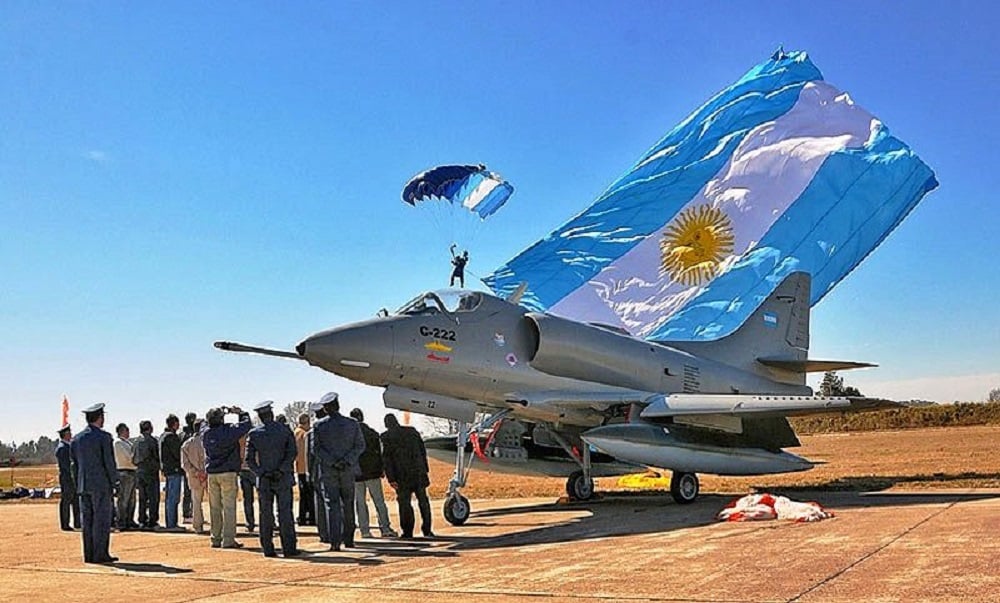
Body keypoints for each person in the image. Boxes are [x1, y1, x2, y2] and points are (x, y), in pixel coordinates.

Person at [245, 401, 300, 558]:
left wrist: (262, 473)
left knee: (265, 514)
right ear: (272, 414)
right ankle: (289, 548)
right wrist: (281, 469)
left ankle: (268, 548)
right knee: (285, 513)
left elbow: (249, 460)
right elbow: (292, 453)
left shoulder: (255, 434)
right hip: (282, 478)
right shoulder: (285, 430)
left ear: (261, 417)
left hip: (265, 480)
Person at [312, 392, 365, 551]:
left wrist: (333, 462)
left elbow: (316, 450)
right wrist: (347, 460)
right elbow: (360, 446)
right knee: (348, 504)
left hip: (329, 471)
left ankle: (335, 542)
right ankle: (349, 539)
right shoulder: (352, 423)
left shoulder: (319, 426)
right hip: (347, 470)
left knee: (332, 505)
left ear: (326, 409)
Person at [70, 403, 118, 564]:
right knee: (101, 520)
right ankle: (100, 554)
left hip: (83, 485)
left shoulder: (76, 439)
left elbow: (74, 465)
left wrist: (78, 484)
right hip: (101, 485)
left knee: (87, 520)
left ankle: (89, 554)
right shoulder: (104, 437)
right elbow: (109, 463)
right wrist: (114, 482)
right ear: (100, 418)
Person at [202, 406, 252, 549]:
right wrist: (240, 413)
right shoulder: (228, 431)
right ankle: (228, 539)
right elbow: (247, 425)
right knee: (229, 507)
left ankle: (215, 538)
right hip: (228, 472)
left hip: (212, 473)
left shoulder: (206, 433)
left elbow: (203, 425)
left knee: (214, 507)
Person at [382, 413, 434, 539]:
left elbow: (387, 460)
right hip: (418, 473)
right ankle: (427, 530)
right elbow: (422, 451)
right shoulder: (412, 432)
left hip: (402, 477)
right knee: (423, 502)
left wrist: (391, 479)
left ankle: (407, 531)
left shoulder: (386, 437)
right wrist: (425, 469)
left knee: (404, 504)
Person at [350, 408, 397, 538]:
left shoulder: (350, 435)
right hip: (373, 472)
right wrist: (382, 469)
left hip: (357, 474)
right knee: (379, 501)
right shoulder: (372, 433)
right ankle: (385, 528)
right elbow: (380, 453)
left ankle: (365, 530)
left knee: (360, 503)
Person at [307, 402, 329, 544]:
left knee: (320, 504)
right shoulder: (333, 429)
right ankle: (336, 532)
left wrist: (311, 473)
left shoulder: (311, 433)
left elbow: (310, 456)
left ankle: (323, 534)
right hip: (333, 470)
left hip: (318, 472)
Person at [180, 419, 207, 534]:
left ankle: (198, 527)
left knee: (196, 502)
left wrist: (196, 472)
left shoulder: (186, 444)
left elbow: (184, 464)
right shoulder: (207, 441)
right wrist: (203, 472)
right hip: (208, 475)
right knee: (216, 503)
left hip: (194, 477)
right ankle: (218, 526)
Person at [132, 420, 160, 530]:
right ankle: (152, 521)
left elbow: (133, 457)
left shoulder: (136, 441)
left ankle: (142, 520)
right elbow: (156, 456)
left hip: (139, 471)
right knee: (153, 497)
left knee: (142, 498)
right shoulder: (152, 440)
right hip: (151, 472)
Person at [160, 414, 184, 530]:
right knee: (173, 498)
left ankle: (171, 522)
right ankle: (171, 524)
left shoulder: (163, 436)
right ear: (174, 424)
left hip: (168, 470)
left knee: (170, 497)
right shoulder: (171, 437)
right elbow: (177, 454)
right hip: (174, 470)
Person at [112, 423, 138, 531]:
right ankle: (121, 521)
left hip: (131, 471)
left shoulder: (127, 443)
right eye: (126, 430)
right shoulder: (118, 443)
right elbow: (129, 457)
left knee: (131, 499)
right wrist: (136, 461)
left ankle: (129, 520)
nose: (128, 432)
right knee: (123, 499)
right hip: (124, 472)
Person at [55, 425, 80, 531]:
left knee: (75, 501)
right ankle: (65, 523)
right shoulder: (62, 448)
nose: (71, 434)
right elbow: (66, 466)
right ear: (65, 435)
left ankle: (77, 522)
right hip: (67, 478)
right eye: (69, 433)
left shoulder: (68, 447)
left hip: (72, 478)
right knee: (66, 501)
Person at [293, 412, 314, 527]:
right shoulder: (306, 434)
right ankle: (310, 517)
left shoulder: (295, 433)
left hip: (299, 468)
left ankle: (302, 517)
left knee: (303, 495)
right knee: (309, 495)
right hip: (307, 468)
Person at [181, 411, 197, 523]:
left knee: (189, 491)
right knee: (189, 491)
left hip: (186, 465)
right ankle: (188, 513)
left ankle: (189, 513)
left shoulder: (182, 433)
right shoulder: (189, 434)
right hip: (191, 465)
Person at [238, 435, 256, 533]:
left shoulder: (238, 438)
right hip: (255, 470)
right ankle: (268, 522)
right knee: (264, 498)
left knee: (248, 499)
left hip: (244, 470)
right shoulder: (256, 436)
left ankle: (250, 523)